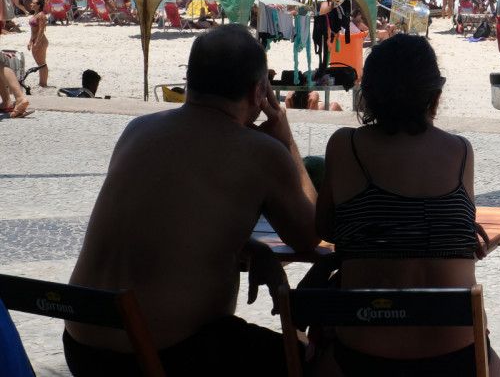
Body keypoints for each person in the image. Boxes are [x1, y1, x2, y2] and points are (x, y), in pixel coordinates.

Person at [64, 26, 319, 376]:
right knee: (316, 359)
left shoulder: (137, 130)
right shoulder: (261, 152)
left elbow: (165, 222)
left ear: (188, 79)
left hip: (82, 348)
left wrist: (249, 247)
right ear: (260, 92)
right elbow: (309, 236)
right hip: (168, 356)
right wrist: (287, 143)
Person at [313, 34, 500, 376]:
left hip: (363, 361)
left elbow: (325, 229)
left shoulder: (346, 146)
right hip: (458, 362)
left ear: (367, 96)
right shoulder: (461, 152)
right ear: (435, 96)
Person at [27, 0, 48, 87]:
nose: (31, 4)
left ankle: (43, 83)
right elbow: (33, 31)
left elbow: (41, 30)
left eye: (33, 3)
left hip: (41, 41)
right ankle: (41, 82)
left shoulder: (41, 16)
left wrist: (37, 42)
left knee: (42, 62)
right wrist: (30, 41)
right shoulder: (35, 15)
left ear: (39, 5)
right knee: (39, 62)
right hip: (35, 40)